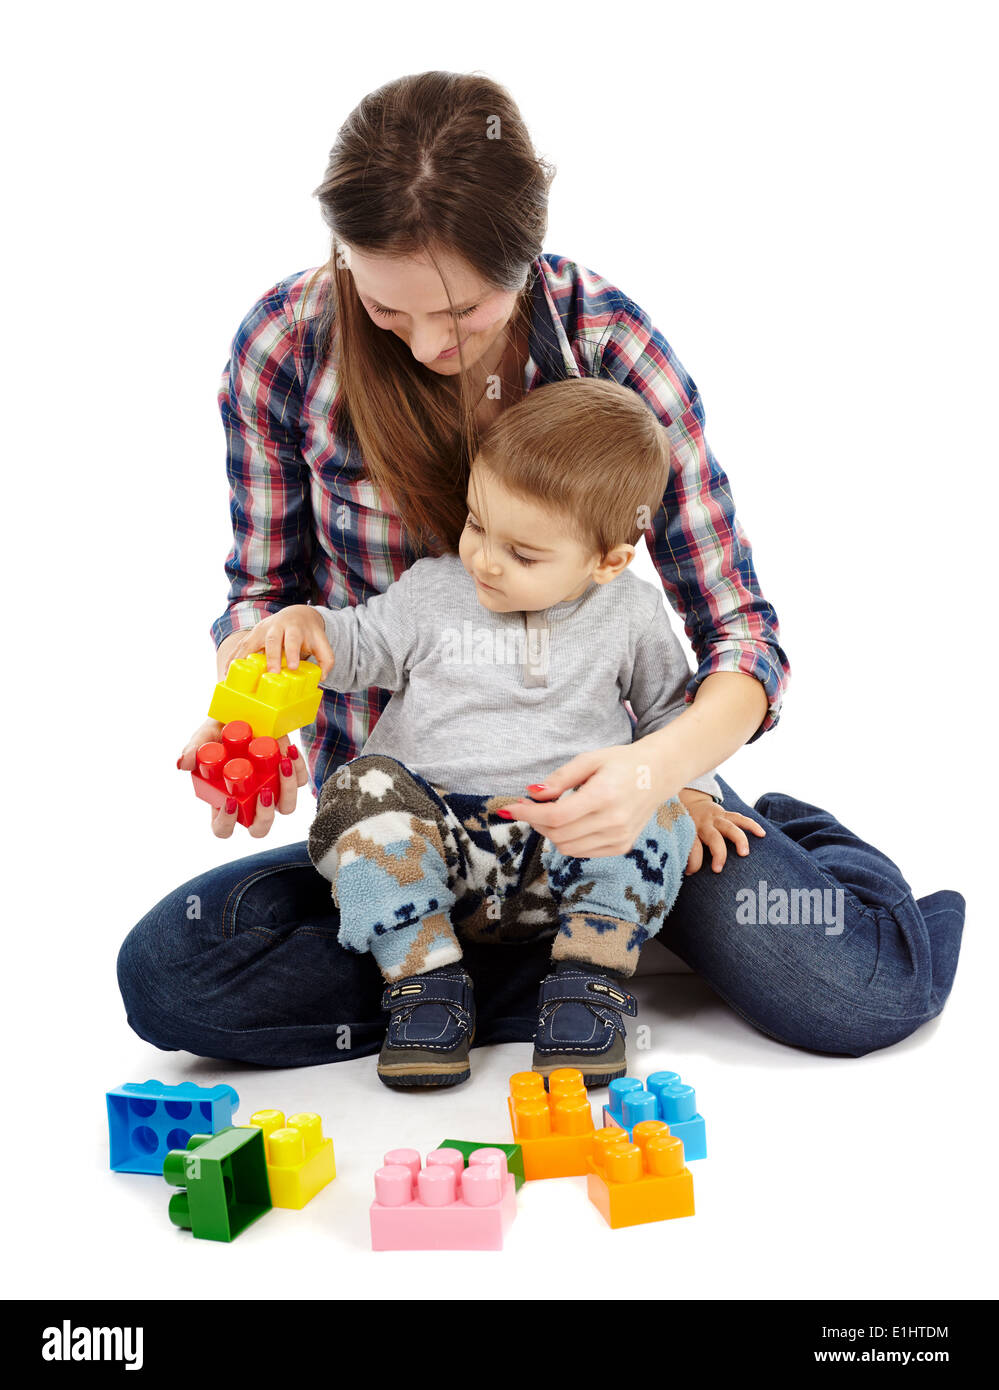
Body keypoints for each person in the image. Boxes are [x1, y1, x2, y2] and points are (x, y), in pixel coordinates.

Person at [117, 70, 964, 1071]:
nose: (430, 346)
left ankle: (634, 909)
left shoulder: (608, 343)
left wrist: (659, 769)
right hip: (410, 828)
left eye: (464, 311)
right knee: (173, 975)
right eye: (388, 311)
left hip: (609, 809)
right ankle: (572, 965)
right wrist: (248, 701)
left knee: (856, 996)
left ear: (523, 255)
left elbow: (739, 631)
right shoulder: (285, 345)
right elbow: (267, 601)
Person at [244, 376, 763, 1089]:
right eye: (476, 524)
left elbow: (674, 714)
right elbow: (357, 642)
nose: (484, 559)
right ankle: (425, 984)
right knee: (359, 788)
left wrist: (689, 790)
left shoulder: (631, 615)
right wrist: (307, 626)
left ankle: (586, 980)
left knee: (657, 803)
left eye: (523, 554)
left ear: (608, 560)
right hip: (438, 855)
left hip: (568, 845)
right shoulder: (432, 590)